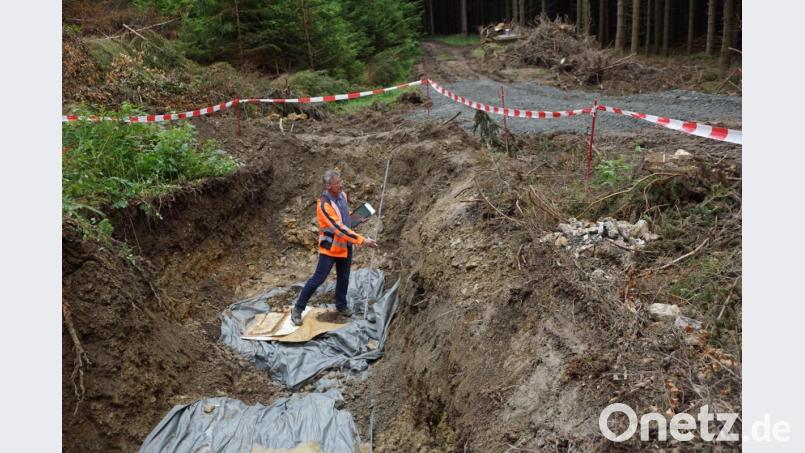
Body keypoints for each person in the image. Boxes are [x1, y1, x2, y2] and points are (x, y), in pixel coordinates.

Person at [291, 170, 378, 326]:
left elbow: (344, 215)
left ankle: (341, 305)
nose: (341, 184)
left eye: (341, 181)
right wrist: (363, 240)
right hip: (330, 248)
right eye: (337, 183)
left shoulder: (342, 195)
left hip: (345, 245)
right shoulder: (323, 205)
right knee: (318, 278)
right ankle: (298, 309)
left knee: (344, 277)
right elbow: (338, 227)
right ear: (328, 186)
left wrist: (356, 217)